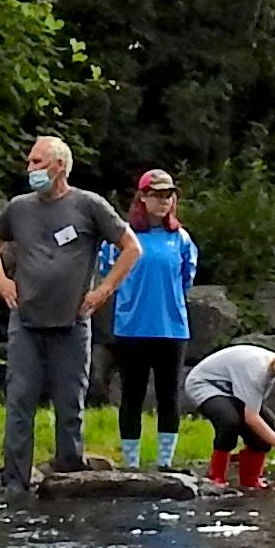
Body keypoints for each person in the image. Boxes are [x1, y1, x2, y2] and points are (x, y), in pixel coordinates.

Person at [0, 136, 136, 486]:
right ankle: (15, 484)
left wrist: (103, 291)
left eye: (36, 162)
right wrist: (1, 281)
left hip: (72, 322)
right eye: (29, 163)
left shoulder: (89, 205)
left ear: (59, 166)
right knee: (19, 403)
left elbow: (131, 247)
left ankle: (68, 478)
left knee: (70, 405)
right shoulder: (18, 208)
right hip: (26, 320)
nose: (29, 169)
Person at [106, 169, 201, 469]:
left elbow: (187, 278)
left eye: (168, 195)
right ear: (142, 197)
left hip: (171, 328)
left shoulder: (181, 239)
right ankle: (131, 464)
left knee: (168, 396)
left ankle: (165, 462)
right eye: (157, 195)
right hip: (132, 327)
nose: (164, 201)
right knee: (131, 396)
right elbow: (109, 271)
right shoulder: (123, 236)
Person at [184, 332, 275, 488]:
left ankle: (251, 479)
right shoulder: (256, 370)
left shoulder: (274, 371)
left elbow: (254, 413)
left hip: (231, 389)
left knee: (268, 424)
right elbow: (251, 417)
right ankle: (216, 477)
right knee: (229, 421)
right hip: (205, 384)